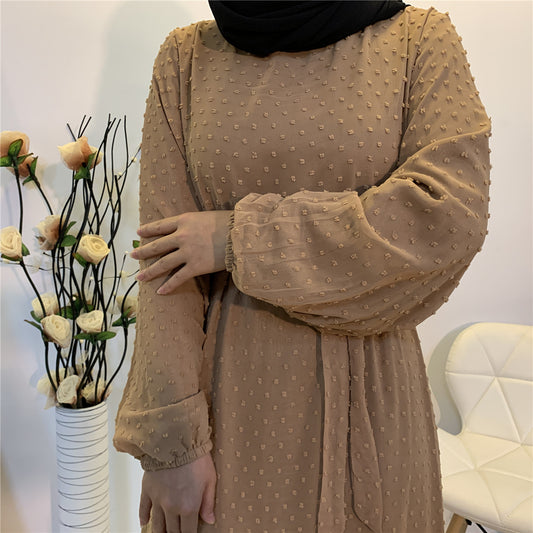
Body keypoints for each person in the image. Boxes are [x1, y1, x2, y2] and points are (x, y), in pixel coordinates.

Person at [113, 1, 491, 532]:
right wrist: (172, 443)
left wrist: (238, 239)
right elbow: (164, 261)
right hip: (224, 413)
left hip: (369, 403)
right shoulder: (186, 57)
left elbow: (446, 216)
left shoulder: (416, 38)